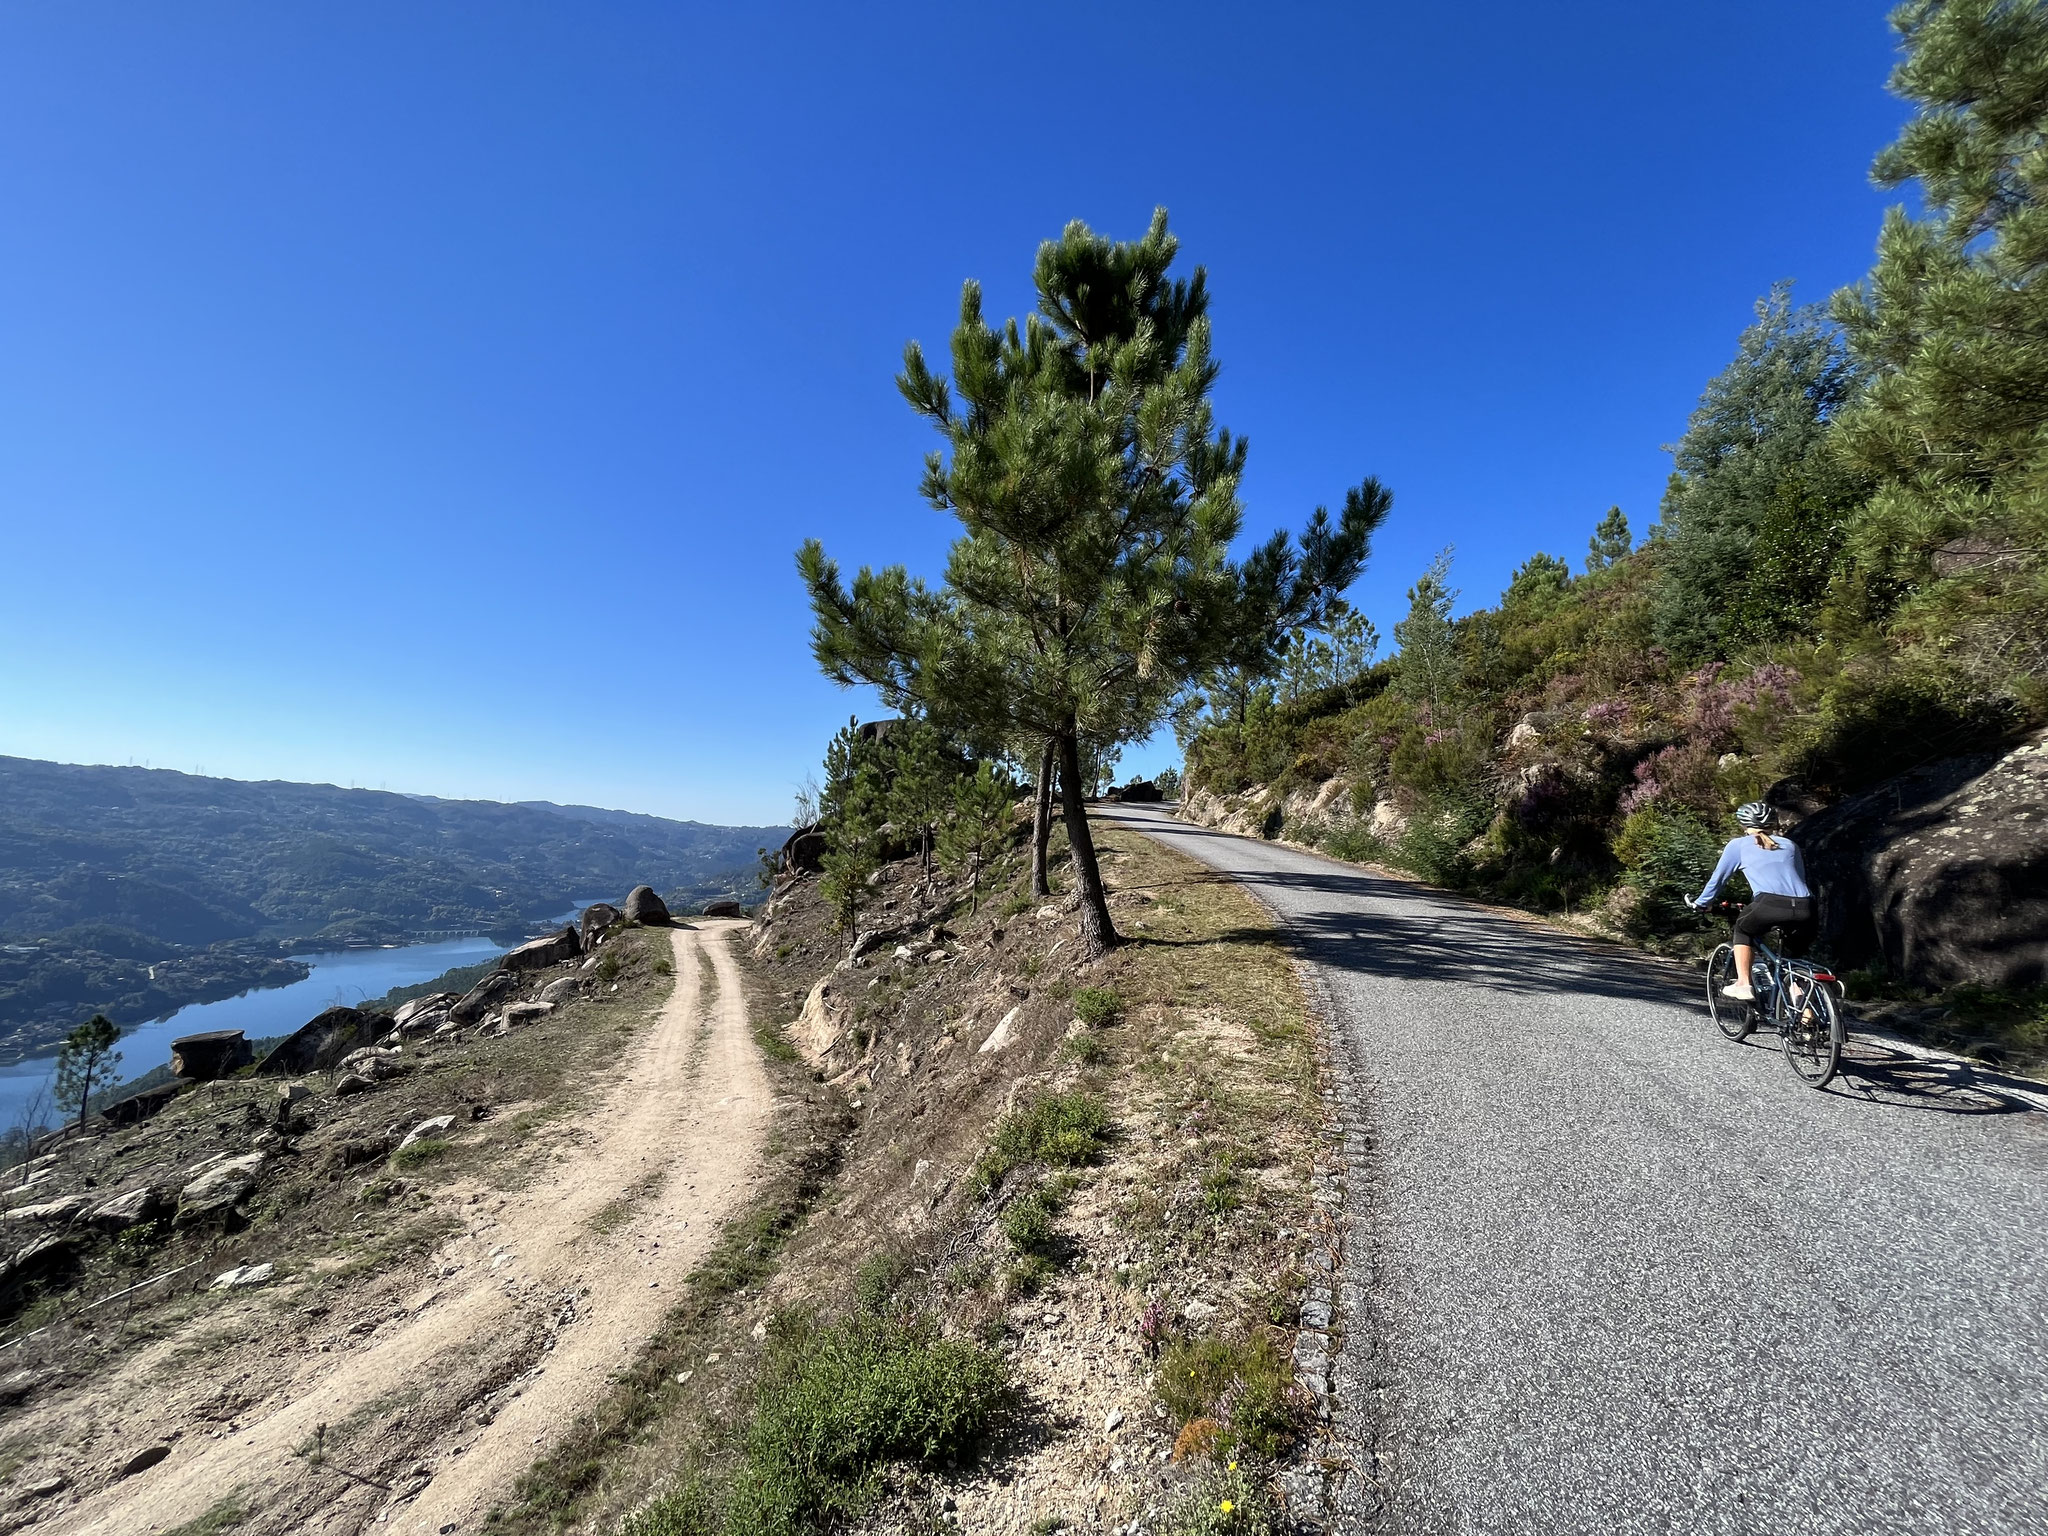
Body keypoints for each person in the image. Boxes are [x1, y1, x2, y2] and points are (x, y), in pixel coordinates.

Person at [1691, 801, 1815, 1000]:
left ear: (1744, 824)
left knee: (1743, 928)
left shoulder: (1738, 845)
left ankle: (1743, 983)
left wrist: (1702, 902)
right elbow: (1798, 880)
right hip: (1805, 908)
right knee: (1792, 961)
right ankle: (1805, 1008)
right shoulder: (1791, 845)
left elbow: (1719, 879)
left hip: (1768, 905)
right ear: (1773, 823)